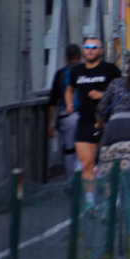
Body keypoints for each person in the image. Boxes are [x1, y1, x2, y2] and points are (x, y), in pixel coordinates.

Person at [64, 36, 120, 207]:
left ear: (101, 51)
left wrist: (102, 95)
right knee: (86, 162)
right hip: (85, 121)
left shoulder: (110, 70)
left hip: (106, 122)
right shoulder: (77, 71)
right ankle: (90, 203)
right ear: (83, 51)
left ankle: (113, 202)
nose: (90, 50)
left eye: (94, 47)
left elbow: (121, 92)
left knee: (106, 164)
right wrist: (69, 103)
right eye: (87, 47)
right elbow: (69, 90)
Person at [47, 43, 82, 176]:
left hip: (66, 115)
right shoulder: (86, 70)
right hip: (84, 115)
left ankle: (71, 182)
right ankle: (84, 181)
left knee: (69, 150)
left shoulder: (61, 74)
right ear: (80, 56)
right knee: (84, 147)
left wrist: (50, 123)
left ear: (66, 57)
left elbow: (53, 100)